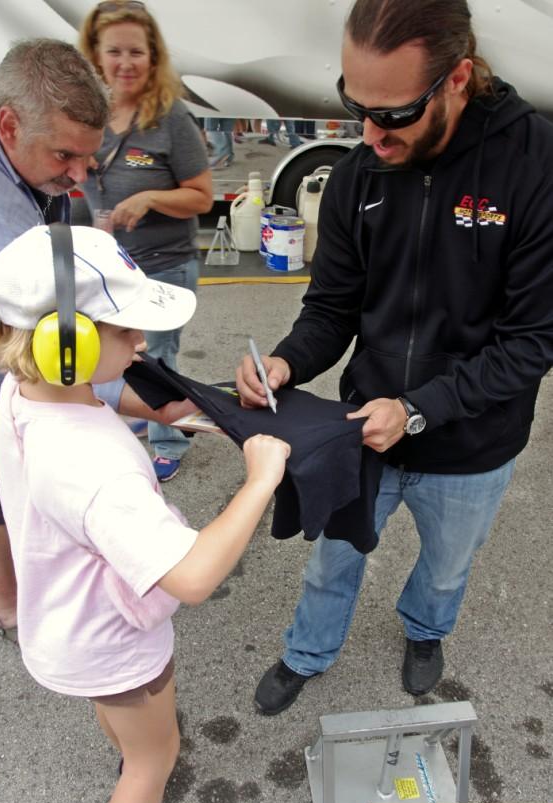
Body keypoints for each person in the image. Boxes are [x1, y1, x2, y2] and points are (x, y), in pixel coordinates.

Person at [236, 0, 553, 715]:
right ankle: (307, 653)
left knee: (444, 571)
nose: (370, 135)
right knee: (331, 560)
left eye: (394, 114)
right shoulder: (357, 177)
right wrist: (285, 362)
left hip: (473, 441)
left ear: (457, 78)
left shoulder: (534, 164)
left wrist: (416, 410)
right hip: (361, 428)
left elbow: (532, 340)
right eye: (356, 106)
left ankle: (423, 630)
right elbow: (331, 310)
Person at [0, 223, 290, 803]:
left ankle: (127, 744)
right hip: (111, 638)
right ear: (63, 343)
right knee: (154, 761)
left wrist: (158, 407)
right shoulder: (91, 467)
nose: (142, 340)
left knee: (128, 730)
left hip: (70, 625)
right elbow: (193, 576)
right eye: (124, 329)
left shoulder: (28, 394)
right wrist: (259, 478)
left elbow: (89, 399)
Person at [0, 38, 190, 645]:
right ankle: (9, 605)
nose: (78, 176)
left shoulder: (24, 169)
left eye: (87, 158)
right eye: (65, 156)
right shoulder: (3, 232)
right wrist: (152, 397)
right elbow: (40, 363)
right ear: (8, 123)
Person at [80, 0, 213, 483]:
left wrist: (151, 197)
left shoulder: (170, 118)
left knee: (158, 358)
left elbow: (202, 197)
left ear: (153, 57)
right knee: (110, 354)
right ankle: (134, 415)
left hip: (163, 265)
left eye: (137, 51)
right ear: (95, 56)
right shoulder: (90, 115)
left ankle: (170, 439)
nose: (126, 63)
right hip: (111, 266)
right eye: (114, 51)